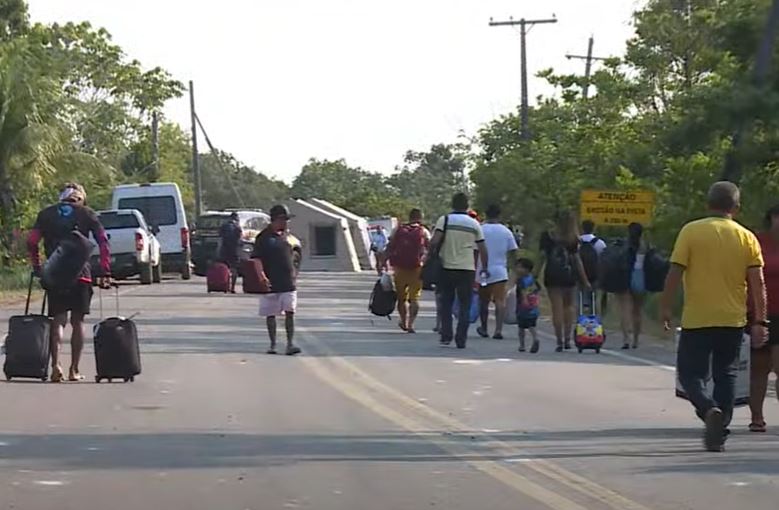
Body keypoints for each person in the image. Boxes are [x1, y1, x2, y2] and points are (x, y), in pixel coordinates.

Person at [661, 181, 768, 452]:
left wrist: (665, 307)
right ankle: (719, 431)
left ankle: (709, 410)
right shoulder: (746, 237)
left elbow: (675, 272)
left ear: (708, 204)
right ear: (736, 207)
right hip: (732, 319)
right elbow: (758, 284)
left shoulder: (691, 231)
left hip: (697, 317)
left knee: (689, 374)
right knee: (726, 374)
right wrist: (759, 321)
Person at [27, 183, 111, 382]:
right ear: (80, 198)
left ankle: (56, 365)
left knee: (58, 320)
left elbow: (31, 241)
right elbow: (103, 241)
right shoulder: (87, 214)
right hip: (81, 275)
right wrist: (105, 270)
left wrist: (38, 266)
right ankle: (74, 369)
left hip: (56, 274)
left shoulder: (46, 214)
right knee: (78, 321)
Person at [429, 193, 489, 349]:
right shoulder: (474, 224)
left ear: (452, 205)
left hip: (447, 267)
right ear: (467, 206)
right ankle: (461, 338)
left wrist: (430, 255)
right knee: (465, 305)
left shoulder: (445, 220)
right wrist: (485, 268)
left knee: (446, 303)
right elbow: (482, 248)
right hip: (467, 269)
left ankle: (446, 335)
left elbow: (434, 241)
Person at [537, 211, 591, 352]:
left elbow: (542, 257)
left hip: (552, 274)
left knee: (556, 309)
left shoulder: (547, 236)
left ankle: (559, 340)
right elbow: (577, 261)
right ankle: (568, 339)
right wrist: (585, 280)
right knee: (569, 307)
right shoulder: (573, 239)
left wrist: (535, 275)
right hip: (569, 275)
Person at [252, 204, 301, 356]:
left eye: (287, 220)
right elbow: (256, 259)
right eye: (283, 219)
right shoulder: (263, 237)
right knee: (271, 313)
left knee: (290, 312)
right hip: (271, 281)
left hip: (288, 281)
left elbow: (296, 256)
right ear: (275, 219)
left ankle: (290, 343)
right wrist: (261, 276)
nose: (286, 223)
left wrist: (295, 272)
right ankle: (273, 344)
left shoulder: (289, 237)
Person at [748, 203, 779, 433]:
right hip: (759, 312)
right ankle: (756, 417)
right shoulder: (756, 241)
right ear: (772, 217)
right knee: (759, 368)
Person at [476, 204, 519, 340]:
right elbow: (513, 252)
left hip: (483, 270)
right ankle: (498, 330)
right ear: (499, 215)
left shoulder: (480, 229)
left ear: (486, 214)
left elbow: (475, 250)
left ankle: (484, 328)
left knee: (483, 301)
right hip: (500, 271)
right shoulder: (506, 231)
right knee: (500, 301)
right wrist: (515, 268)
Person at [385, 208, 431, 333]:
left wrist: (384, 262)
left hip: (399, 268)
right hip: (416, 267)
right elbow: (430, 248)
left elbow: (389, 245)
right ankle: (411, 324)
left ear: (409, 217)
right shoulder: (423, 231)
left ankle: (403, 321)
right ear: (420, 217)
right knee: (414, 298)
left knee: (401, 298)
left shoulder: (398, 229)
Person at [619, 222, 648, 350]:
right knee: (637, 310)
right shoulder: (645, 245)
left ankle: (626, 339)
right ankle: (636, 340)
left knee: (625, 309)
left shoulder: (625, 245)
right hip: (640, 275)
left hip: (626, 274)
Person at [513, 258, 541, 353]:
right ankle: (535, 338)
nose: (518, 269)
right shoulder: (533, 279)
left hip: (523, 306)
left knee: (521, 327)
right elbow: (537, 289)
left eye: (520, 267)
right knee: (531, 325)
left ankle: (522, 345)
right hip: (533, 306)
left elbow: (522, 291)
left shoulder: (521, 280)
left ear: (527, 269)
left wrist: (524, 300)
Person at [218, 211, 243, 293]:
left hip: (224, 250)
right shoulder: (237, 227)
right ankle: (232, 288)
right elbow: (240, 240)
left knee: (225, 268)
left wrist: (218, 250)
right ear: (237, 219)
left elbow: (220, 239)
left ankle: (226, 286)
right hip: (234, 251)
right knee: (234, 269)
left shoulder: (224, 226)